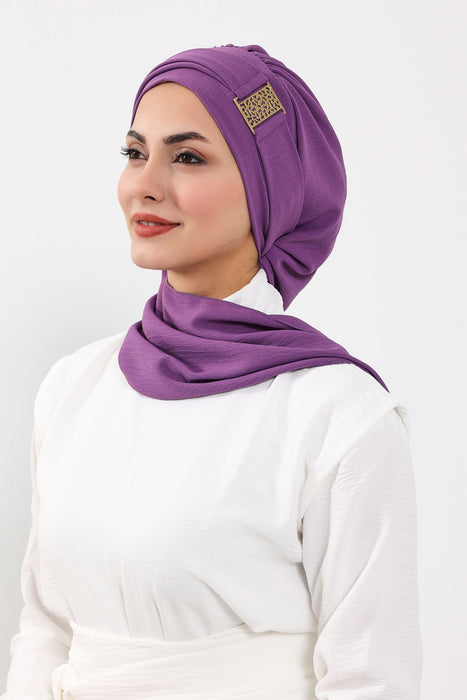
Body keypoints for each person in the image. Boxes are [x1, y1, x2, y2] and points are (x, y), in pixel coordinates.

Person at [2, 44, 422, 699]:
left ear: (270, 188)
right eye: (134, 152)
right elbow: (45, 627)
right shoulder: (74, 386)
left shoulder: (338, 415)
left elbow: (374, 678)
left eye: (188, 157)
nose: (144, 184)